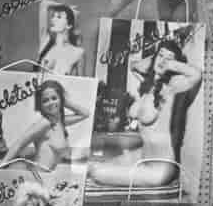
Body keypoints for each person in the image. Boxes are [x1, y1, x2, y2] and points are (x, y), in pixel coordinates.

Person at [87, 35, 203, 193]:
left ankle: (169, 55)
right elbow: (134, 65)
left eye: (170, 59)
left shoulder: (171, 88)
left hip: (160, 168)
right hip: (142, 155)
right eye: (161, 55)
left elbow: (196, 74)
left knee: (97, 173)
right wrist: (158, 57)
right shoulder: (147, 86)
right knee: (91, 163)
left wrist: (169, 63)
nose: (164, 60)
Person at [2, 79, 91, 171]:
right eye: (45, 100)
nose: (51, 103)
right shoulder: (44, 123)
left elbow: (85, 114)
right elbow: (19, 144)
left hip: (48, 178)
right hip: (37, 176)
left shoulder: (59, 122)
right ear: (40, 105)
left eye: (54, 98)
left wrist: (64, 101)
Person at [37, 3, 86, 75]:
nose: (53, 19)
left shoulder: (78, 52)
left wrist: (67, 9)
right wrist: (65, 6)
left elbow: (82, 84)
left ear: (69, 25)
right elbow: (44, 4)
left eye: (59, 17)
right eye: (53, 16)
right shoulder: (45, 42)